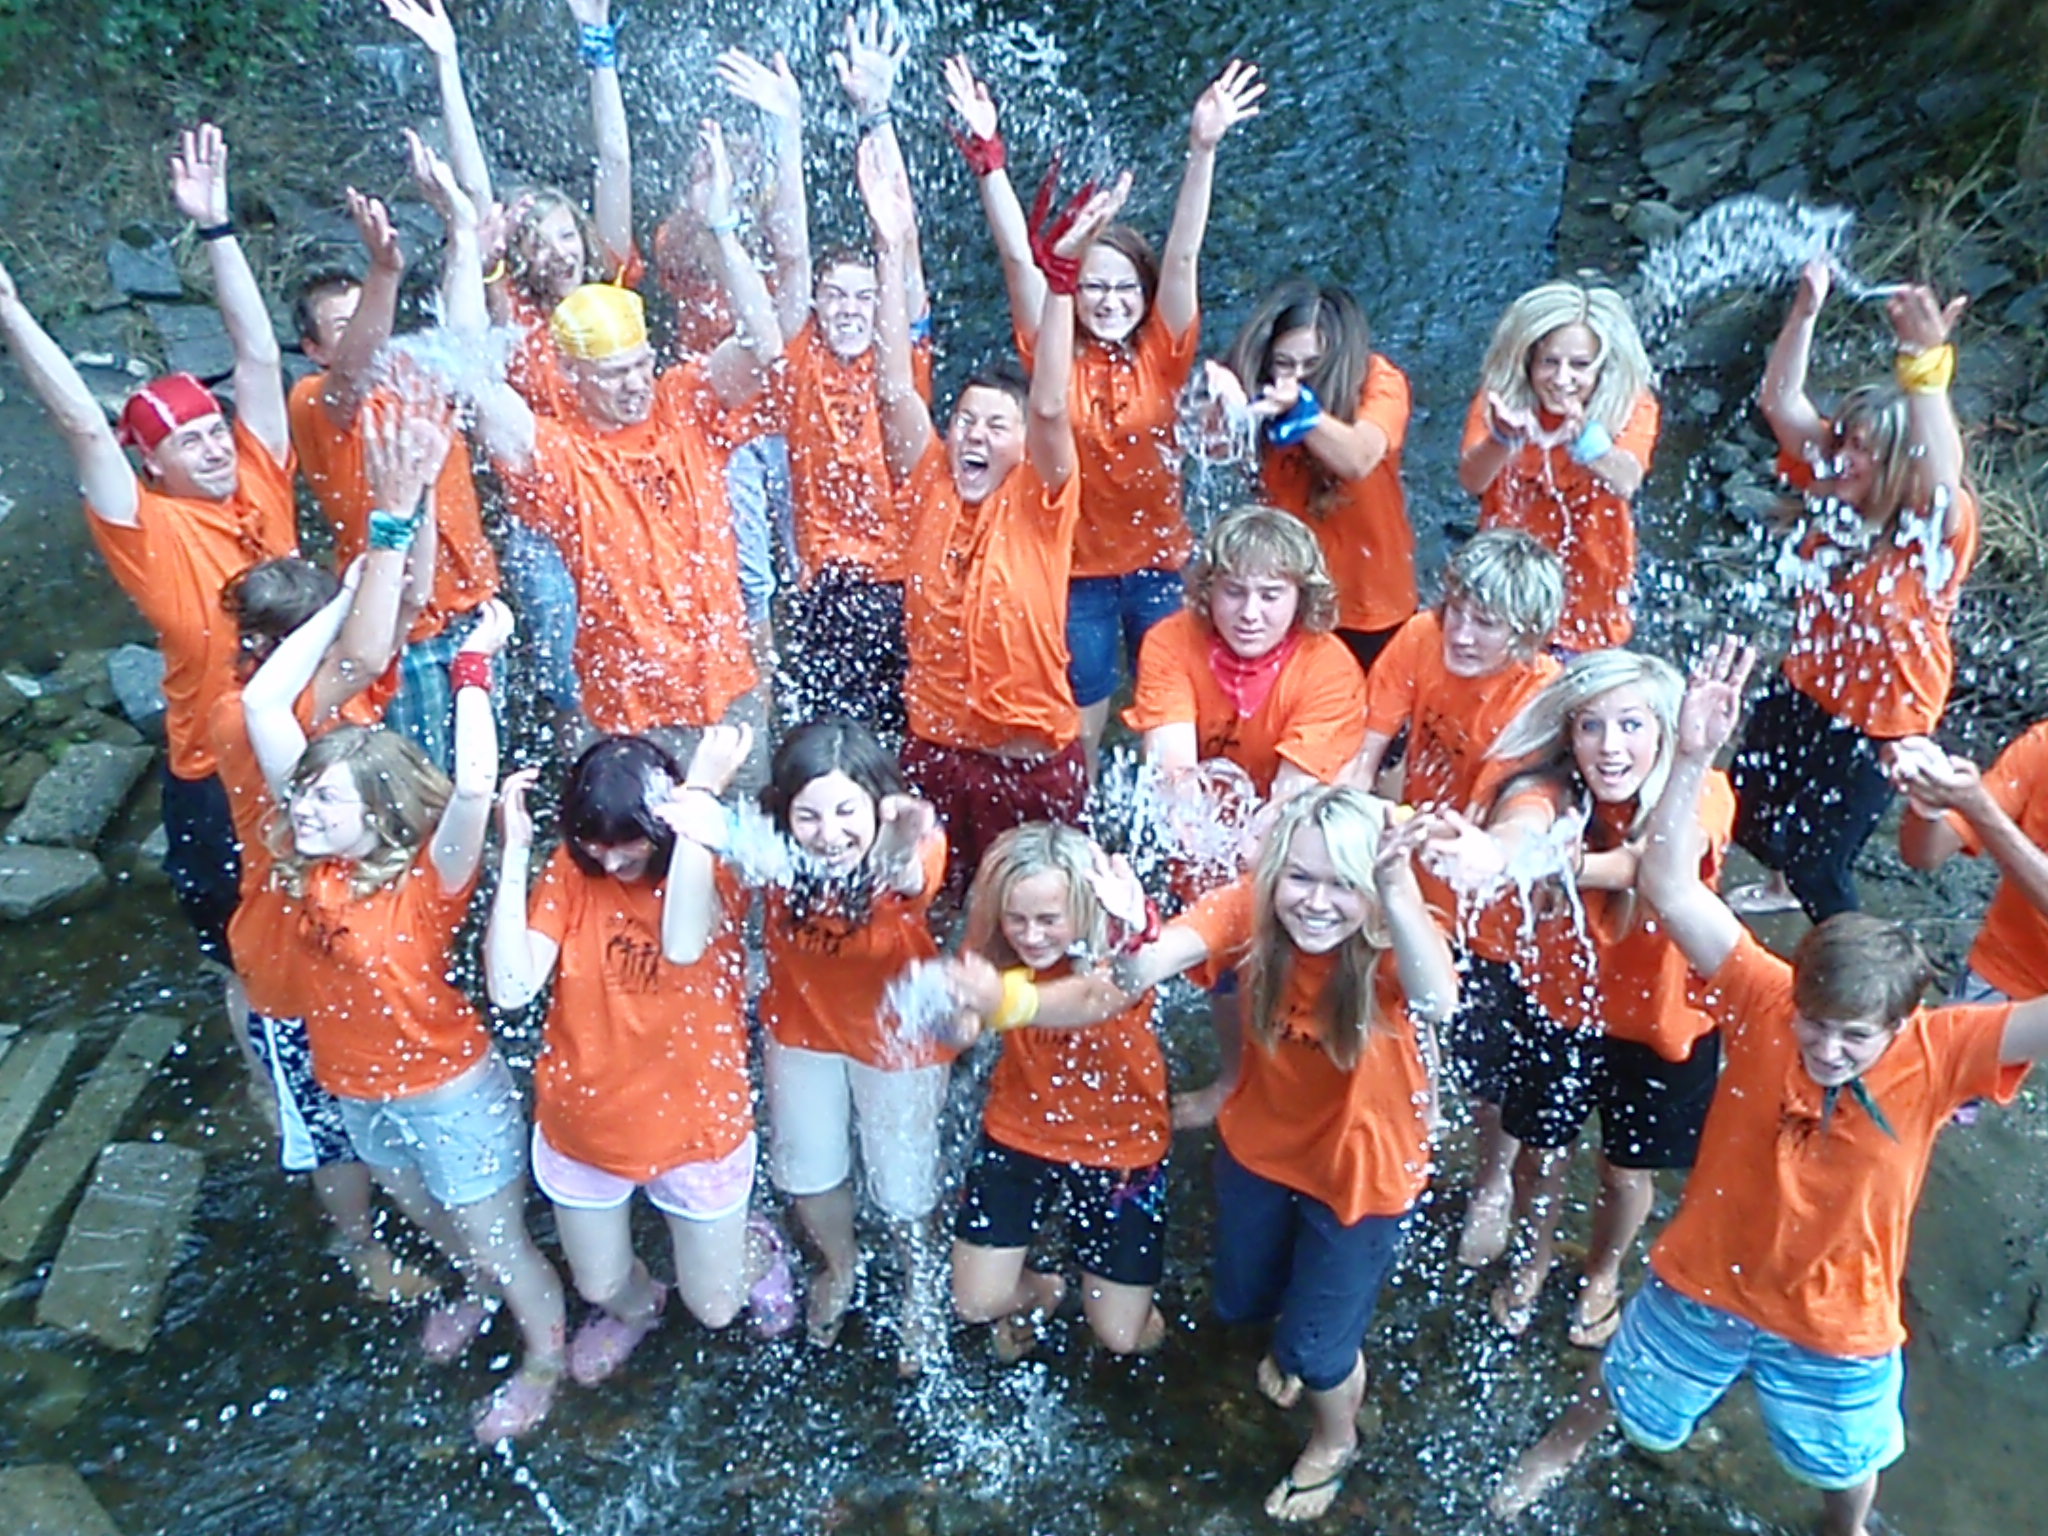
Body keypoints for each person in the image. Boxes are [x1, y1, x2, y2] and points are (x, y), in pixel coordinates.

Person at [1492, 638, 2048, 1536]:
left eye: (1854, 1039)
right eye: (1815, 1025)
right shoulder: (1764, 995)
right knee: (1621, 1385)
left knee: (1851, 1459)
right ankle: (1559, 1448)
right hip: (1705, 1277)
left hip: (1842, 1319)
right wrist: (1693, 755)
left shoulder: (1946, 1049)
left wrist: (1977, 805)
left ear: (1901, 1024)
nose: (1826, 1049)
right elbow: (1668, 884)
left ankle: (1845, 1527)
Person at [991, 789, 1457, 1520]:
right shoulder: (1249, 908)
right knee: (1245, 1298)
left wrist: (1395, 892)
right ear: (1274, 872)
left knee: (1322, 1353)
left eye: (1343, 883)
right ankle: (1291, 1344)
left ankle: (1335, 1439)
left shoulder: (1393, 930)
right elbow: (1143, 972)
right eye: (1299, 877)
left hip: (1361, 1174)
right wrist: (1131, 931)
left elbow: (1439, 1002)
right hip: (1260, 1150)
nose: (1316, 903)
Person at [243, 596, 570, 1444]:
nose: (303, 810)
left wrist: (474, 666)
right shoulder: (311, 863)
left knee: (498, 1241)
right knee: (431, 1219)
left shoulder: (429, 882)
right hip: (355, 1090)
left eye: (325, 800)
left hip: (448, 1094)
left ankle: (545, 1355)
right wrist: (347, 600)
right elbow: (262, 704)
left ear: (380, 813)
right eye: (303, 794)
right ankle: (477, 1292)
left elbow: (473, 784)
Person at [0, 127, 296, 975]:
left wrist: (216, 226)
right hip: (214, 774)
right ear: (153, 464)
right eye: (189, 441)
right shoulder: (147, 531)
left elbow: (257, 356)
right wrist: (11, 311)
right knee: (239, 955)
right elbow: (81, 426)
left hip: (307, 739)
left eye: (215, 430)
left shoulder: (260, 481)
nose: (215, 447)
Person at [949, 55, 1262, 776]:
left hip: (1160, 567)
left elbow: (1183, 256)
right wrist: (990, 160)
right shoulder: (1053, 348)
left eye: (1124, 288)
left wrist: (1203, 149)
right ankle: (1076, 834)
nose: (1110, 301)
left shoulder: (1163, 352)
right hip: (1078, 570)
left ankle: (1174, 834)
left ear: (1144, 294)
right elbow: (1017, 260)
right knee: (1078, 730)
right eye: (1093, 287)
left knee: (1174, 727)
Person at [418, 127, 778, 749]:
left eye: (640, 365)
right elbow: (470, 371)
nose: (635, 384)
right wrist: (465, 243)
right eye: (614, 374)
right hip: (630, 717)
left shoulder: (684, 402)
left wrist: (722, 229)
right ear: (572, 375)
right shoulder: (562, 455)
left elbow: (763, 341)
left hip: (729, 693)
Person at [1421, 651, 1732, 1350]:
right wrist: (1500, 853)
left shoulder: (1701, 790)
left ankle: (1603, 1272)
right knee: (1540, 1155)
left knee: (1625, 1173)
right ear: (1569, 733)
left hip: (1665, 1021)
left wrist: (1557, 864)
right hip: (1562, 1007)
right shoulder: (1549, 785)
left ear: (1668, 731)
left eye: (1631, 725)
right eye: (1591, 726)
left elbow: (1655, 867)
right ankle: (1532, 1260)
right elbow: (1522, 822)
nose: (1609, 746)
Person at [207, 399, 438, 1302]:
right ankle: (359, 1249)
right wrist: (386, 523)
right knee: (326, 1127)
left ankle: (409, 1195)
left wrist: (416, 502)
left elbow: (402, 607)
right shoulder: (259, 715)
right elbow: (369, 641)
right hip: (291, 960)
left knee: (374, 1091)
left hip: (352, 937)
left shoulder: (323, 703)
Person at [485, 725, 796, 1386]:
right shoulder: (572, 870)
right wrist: (514, 852)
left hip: (696, 1130)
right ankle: (641, 1304)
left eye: (627, 848)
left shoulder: (710, 862)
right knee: (600, 1285)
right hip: (586, 1126)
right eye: (593, 847)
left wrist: (701, 792)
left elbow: (682, 944)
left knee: (716, 1307)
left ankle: (758, 1248)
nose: (609, 866)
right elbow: (510, 989)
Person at [857, 132, 1127, 886]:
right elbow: (892, 390)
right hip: (938, 756)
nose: (974, 435)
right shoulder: (932, 480)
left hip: (1031, 764)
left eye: (993, 425)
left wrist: (1063, 282)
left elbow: (1050, 406)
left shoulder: (1042, 496)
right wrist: (890, 249)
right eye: (965, 421)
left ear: (1021, 443)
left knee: (1041, 917)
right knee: (931, 910)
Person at [1727, 263, 1975, 921]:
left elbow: (1943, 476)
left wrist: (1924, 366)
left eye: (1861, 447)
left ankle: (1853, 963)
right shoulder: (1835, 491)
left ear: (1895, 466)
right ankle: (1779, 888)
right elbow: (1780, 402)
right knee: (1745, 813)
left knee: (1818, 865)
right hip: (1806, 684)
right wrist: (1805, 312)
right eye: (1843, 439)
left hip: (1883, 724)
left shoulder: (1929, 536)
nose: (1841, 455)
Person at [377, 0, 588, 727]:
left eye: (566, 236)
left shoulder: (611, 298)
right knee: (567, 680)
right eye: (539, 242)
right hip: (542, 522)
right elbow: (475, 200)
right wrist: (447, 63)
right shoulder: (511, 311)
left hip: (612, 502)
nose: (558, 253)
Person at [728, 12, 934, 736]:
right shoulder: (802, 360)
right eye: (835, 296)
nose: (850, 309)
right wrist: (787, 128)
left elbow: (901, 239)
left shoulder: (901, 358)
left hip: (903, 580)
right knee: (829, 747)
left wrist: (876, 115)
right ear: (817, 304)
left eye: (864, 296)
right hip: (827, 587)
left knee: (905, 743)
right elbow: (790, 251)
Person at [755, 719, 951, 1365]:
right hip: (802, 1030)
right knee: (808, 1171)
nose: (828, 834)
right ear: (784, 814)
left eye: (846, 812)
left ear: (877, 804)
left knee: (903, 1183)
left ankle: (921, 1282)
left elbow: (905, 874)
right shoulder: (770, 851)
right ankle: (841, 1264)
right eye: (808, 816)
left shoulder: (917, 840)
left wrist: (899, 835)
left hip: (900, 1040)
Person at [945, 822, 1173, 1362]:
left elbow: (1093, 997)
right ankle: (1043, 1289)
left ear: (1083, 908)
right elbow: (962, 1029)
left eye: (1049, 920)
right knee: (973, 1303)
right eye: (1017, 919)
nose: (1031, 936)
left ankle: (1126, 1298)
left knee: (1125, 1338)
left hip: (1121, 1145)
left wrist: (1002, 1001)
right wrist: (953, 1008)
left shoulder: (1125, 935)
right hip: (1020, 1128)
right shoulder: (993, 946)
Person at [289, 187, 500, 769]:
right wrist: (384, 271)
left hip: (473, 608)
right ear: (314, 349)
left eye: (370, 314)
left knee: (484, 768)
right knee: (420, 781)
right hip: (404, 631)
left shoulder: (415, 376)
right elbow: (354, 373)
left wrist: (464, 240)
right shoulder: (318, 402)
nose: (371, 331)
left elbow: (466, 344)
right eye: (346, 324)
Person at [1210, 280, 1414, 677]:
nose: (1296, 379)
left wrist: (1305, 415)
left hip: (1370, 599)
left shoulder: (1379, 380)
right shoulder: (1260, 385)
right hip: (1285, 595)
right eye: (1285, 364)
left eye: (1311, 366)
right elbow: (1213, 450)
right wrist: (1224, 405)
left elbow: (1359, 458)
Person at [1456, 280, 1657, 652]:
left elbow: (1627, 480)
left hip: (1593, 588)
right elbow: (1472, 480)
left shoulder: (1631, 404)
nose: (1562, 379)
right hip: (1510, 582)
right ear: (1528, 361)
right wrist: (1502, 438)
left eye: (1579, 365)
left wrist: (1588, 442)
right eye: (1549, 362)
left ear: (1602, 368)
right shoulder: (1501, 400)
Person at [1124, 504, 1365, 804]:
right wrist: (1195, 832)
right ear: (1209, 590)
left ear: (1302, 597)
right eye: (1234, 592)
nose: (1250, 614)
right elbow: (1173, 782)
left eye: (1270, 596)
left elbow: (1290, 804)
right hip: (1200, 816)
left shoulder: (1331, 669)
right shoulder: (1170, 640)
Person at [1345, 529, 1564, 812]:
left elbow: (1485, 813)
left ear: (1527, 635)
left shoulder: (1539, 693)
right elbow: (1362, 753)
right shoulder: (1423, 634)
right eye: (1456, 611)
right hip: (1417, 811)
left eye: (1485, 623)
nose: (1461, 636)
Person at [1892, 722, 2048, 1005]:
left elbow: (1978, 807)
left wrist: (1979, 807)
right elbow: (1925, 854)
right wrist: (1927, 798)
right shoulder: (2043, 746)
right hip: (2005, 972)